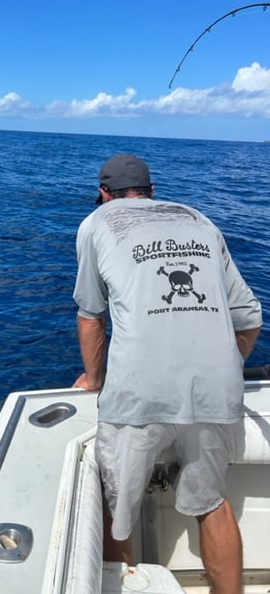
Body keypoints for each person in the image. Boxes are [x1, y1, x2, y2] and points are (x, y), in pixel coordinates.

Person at [73, 153, 262, 594]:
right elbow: (249, 317)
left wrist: (94, 378)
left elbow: (90, 316)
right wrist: (225, 365)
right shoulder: (200, 219)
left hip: (139, 395)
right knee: (212, 504)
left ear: (103, 194)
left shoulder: (95, 224)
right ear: (152, 192)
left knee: (118, 514)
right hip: (216, 392)